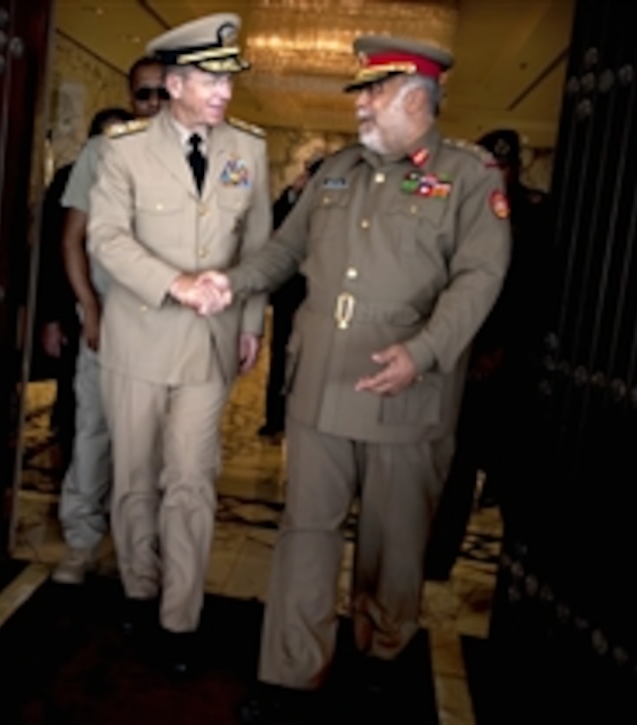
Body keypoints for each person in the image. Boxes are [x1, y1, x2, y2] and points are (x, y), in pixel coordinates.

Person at [187, 36, 512, 721]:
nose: (359, 103)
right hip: (322, 383)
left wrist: (423, 353)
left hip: (408, 389)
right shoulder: (337, 171)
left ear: (417, 97)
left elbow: (479, 277)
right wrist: (230, 281)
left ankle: (381, 653)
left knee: (393, 544)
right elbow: (283, 250)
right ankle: (289, 672)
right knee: (306, 532)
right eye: (360, 91)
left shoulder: (470, 174)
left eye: (374, 90)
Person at [86, 13, 271, 676]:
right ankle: (139, 586)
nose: (223, 92)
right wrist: (176, 282)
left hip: (208, 345)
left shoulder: (248, 149)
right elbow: (105, 238)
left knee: (192, 479)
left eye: (227, 80)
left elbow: (259, 245)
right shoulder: (124, 149)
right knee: (135, 476)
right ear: (173, 83)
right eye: (209, 79)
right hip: (138, 338)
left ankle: (179, 616)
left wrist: (251, 320)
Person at [50, 56, 169, 586]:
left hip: (166, 329)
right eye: (144, 95)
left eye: (164, 95)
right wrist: (89, 310)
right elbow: (71, 240)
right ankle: (80, 542)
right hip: (107, 320)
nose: (153, 106)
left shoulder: (200, 158)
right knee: (91, 434)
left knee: (152, 448)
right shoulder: (101, 153)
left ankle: (138, 553)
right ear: (132, 96)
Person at [422, 128, 555, 582]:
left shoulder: (536, 215)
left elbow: (537, 291)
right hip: (461, 358)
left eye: (505, 166)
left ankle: (525, 574)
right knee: (454, 468)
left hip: (512, 368)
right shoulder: (456, 209)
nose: (498, 174)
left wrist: (503, 347)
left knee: (514, 476)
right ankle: (437, 561)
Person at [257, 154, 324, 439]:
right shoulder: (293, 201)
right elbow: (272, 224)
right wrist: (294, 192)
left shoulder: (338, 206)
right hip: (289, 295)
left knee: (314, 364)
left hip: (320, 298)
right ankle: (276, 419)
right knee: (281, 359)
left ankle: (306, 419)